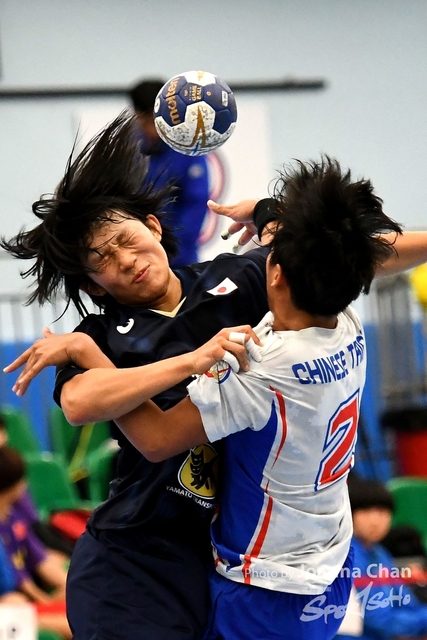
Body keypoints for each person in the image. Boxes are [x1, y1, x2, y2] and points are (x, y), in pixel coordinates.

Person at [3, 112, 427, 640]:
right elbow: (80, 402)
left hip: (226, 555)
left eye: (125, 238)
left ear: (153, 226)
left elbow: (343, 255)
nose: (124, 260)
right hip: (138, 558)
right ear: (94, 286)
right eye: (102, 260)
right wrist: (189, 361)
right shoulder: (99, 337)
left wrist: (278, 214)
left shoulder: (238, 277)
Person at [130, 78, 210, 266]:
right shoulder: (127, 149)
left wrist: (170, 250)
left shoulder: (187, 146)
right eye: (146, 121)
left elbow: (196, 202)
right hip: (140, 255)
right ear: (137, 116)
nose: (154, 129)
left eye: (157, 120)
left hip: (180, 257)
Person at [335, 475, 427, 640]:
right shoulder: (345, 555)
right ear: (349, 513)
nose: (375, 520)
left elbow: (407, 602)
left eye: (383, 512)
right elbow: (380, 621)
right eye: (366, 511)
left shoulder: (380, 552)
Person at [0, 445, 72, 639]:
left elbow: (39, 557)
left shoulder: (13, 517)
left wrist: (68, 586)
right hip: (11, 605)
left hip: (21, 602)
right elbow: (17, 579)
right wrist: (44, 602)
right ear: (13, 485)